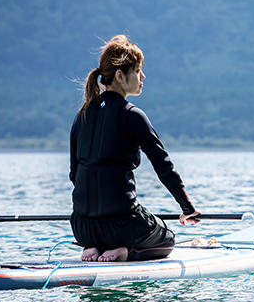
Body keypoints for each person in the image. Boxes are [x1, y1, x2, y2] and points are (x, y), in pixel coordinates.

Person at [69, 35, 200, 262]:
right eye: (138, 70)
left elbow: (75, 174)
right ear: (120, 76)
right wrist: (187, 208)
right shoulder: (132, 115)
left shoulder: (82, 116)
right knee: (168, 239)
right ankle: (125, 251)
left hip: (82, 228)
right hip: (123, 227)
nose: (143, 76)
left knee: (107, 223)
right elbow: (164, 166)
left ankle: (93, 247)